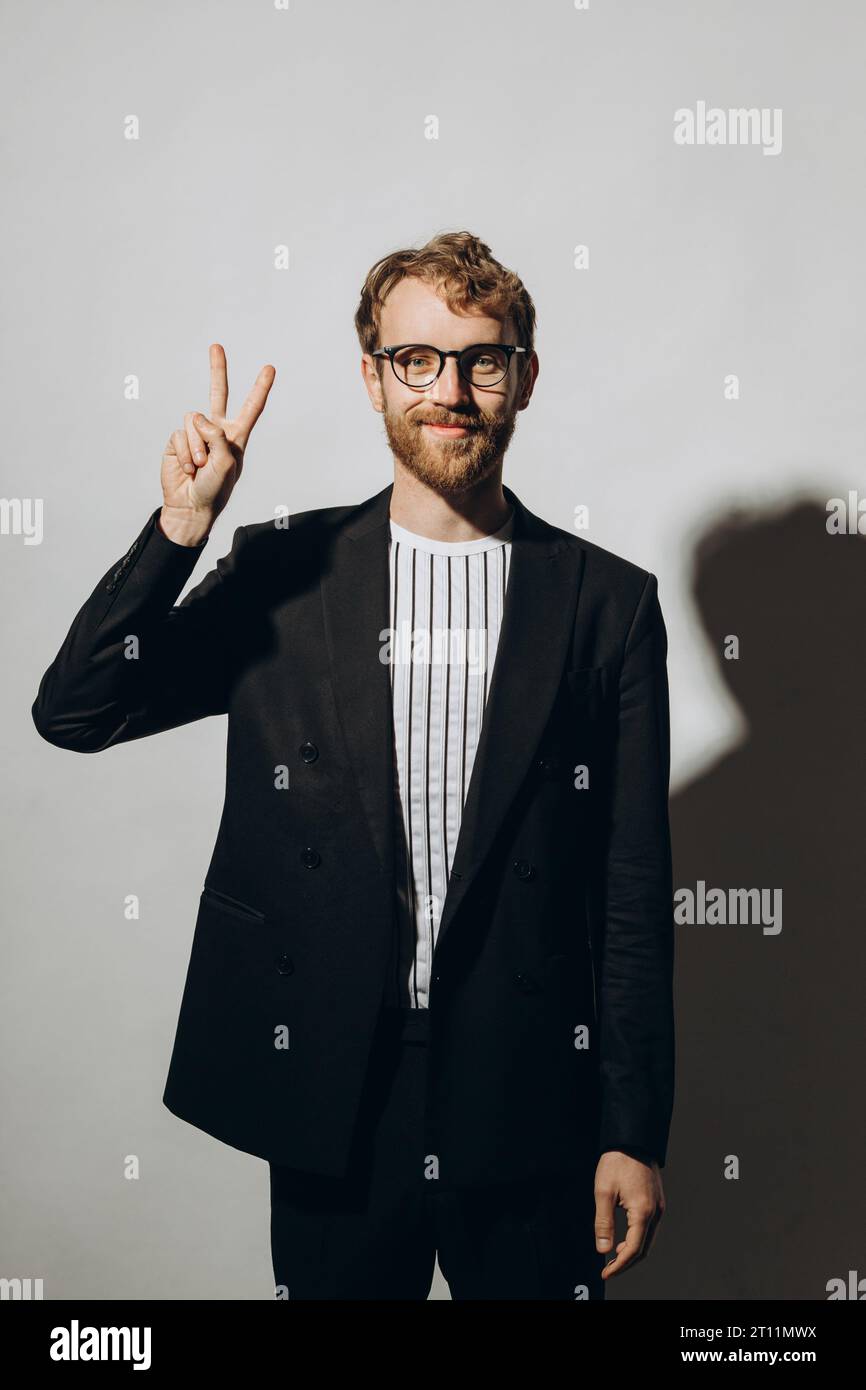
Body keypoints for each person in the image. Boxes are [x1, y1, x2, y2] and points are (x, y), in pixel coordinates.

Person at [32, 230, 674, 1300]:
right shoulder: (283, 570)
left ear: (523, 377)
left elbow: (631, 889)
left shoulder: (606, 603)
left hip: (530, 1088)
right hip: (330, 1075)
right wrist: (179, 529)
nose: (451, 390)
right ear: (371, 375)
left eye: (482, 357)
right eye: (417, 359)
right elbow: (79, 710)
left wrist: (631, 1128)